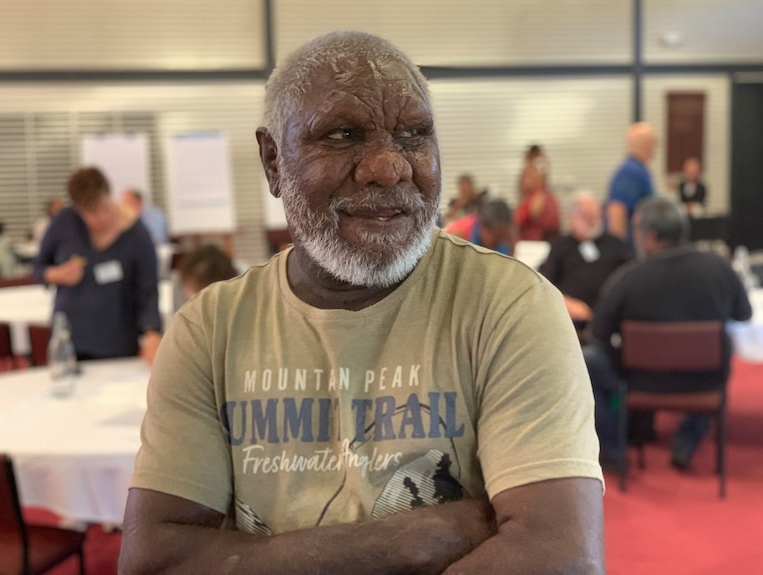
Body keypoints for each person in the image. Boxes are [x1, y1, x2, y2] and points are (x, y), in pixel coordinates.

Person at [120, 31, 604, 575]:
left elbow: (557, 560)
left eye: (414, 134)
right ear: (273, 161)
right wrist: (409, 541)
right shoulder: (209, 330)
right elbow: (156, 563)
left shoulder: (509, 307)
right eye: (344, 134)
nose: (388, 167)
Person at [583, 198, 751, 471]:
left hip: (640, 381)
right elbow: (744, 316)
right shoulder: (719, 268)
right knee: (725, 344)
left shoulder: (628, 278)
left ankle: (613, 449)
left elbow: (598, 335)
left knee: (587, 359)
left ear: (649, 236)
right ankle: (686, 441)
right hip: (704, 382)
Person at [32, 167, 161, 363]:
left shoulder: (137, 234)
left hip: (118, 341)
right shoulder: (65, 223)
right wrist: (56, 274)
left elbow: (148, 289)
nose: (101, 218)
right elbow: (38, 268)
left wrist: (152, 332)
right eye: (90, 213)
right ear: (77, 209)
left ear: (109, 195)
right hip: (71, 339)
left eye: (104, 207)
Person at [539, 192, 633, 329]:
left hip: (612, 318)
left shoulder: (616, 245)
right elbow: (544, 283)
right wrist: (565, 303)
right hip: (571, 321)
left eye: (596, 216)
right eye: (586, 217)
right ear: (572, 218)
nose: (593, 221)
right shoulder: (560, 246)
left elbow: (632, 276)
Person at [605, 122, 657, 245]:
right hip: (631, 251)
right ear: (646, 145)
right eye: (654, 142)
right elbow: (616, 213)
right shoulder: (630, 173)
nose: (655, 148)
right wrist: (620, 253)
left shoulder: (640, 170)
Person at [444, 197, 515, 255]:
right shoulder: (457, 238)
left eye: (504, 237)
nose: (500, 243)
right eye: (496, 238)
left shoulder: (508, 238)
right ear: (482, 227)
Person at [514, 161, 560, 241]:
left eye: (525, 176)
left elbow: (517, 220)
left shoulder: (536, 197)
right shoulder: (548, 196)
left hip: (533, 244)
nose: (522, 181)